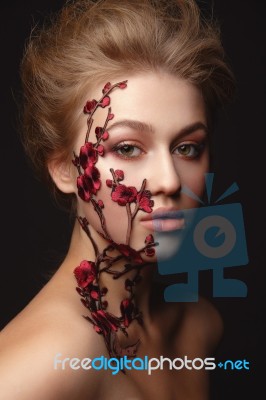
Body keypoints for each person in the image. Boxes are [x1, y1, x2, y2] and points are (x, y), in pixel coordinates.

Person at [0, 0, 235, 399]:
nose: (168, 180)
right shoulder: (40, 362)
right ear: (65, 169)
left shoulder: (198, 324)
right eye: (127, 148)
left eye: (187, 148)